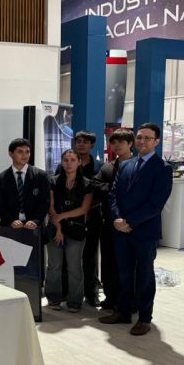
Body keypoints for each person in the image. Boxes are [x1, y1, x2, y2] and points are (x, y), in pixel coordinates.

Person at [100, 123, 173, 336]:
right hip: (121, 230)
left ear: (156, 142)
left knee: (144, 276)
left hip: (144, 232)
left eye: (147, 138)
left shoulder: (163, 168)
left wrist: (129, 221)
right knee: (124, 273)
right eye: (139, 137)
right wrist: (117, 218)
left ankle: (144, 318)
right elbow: (113, 194)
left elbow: (155, 204)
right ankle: (123, 311)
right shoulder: (126, 165)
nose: (142, 141)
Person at [58, 131, 104, 306]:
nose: (81, 144)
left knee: (90, 256)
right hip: (68, 218)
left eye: (85, 142)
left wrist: (87, 206)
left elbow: (101, 191)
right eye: (78, 141)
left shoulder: (100, 167)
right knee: (66, 257)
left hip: (91, 217)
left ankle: (91, 293)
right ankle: (65, 292)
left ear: (92, 145)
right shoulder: (64, 165)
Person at [45, 149, 93, 313]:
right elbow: (51, 207)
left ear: (79, 162)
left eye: (72, 160)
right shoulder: (53, 180)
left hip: (76, 230)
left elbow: (84, 209)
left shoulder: (87, 183)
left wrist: (62, 216)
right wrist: (58, 227)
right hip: (55, 228)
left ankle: (75, 300)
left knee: (74, 267)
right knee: (54, 266)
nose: (69, 163)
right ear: (61, 162)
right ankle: (53, 298)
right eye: (66, 160)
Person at [93, 129, 134, 309]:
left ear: (130, 144)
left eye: (121, 142)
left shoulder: (137, 166)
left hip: (131, 224)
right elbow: (95, 185)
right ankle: (110, 297)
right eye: (113, 142)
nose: (116, 146)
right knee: (109, 262)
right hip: (109, 222)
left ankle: (129, 301)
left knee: (129, 264)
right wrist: (115, 189)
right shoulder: (107, 167)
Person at [0, 138, 50, 233]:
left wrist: (35, 220)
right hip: (10, 228)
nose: (24, 155)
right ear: (10, 154)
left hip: (35, 229)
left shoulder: (41, 176)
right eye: (20, 151)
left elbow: (45, 202)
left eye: (27, 152)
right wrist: (11, 221)